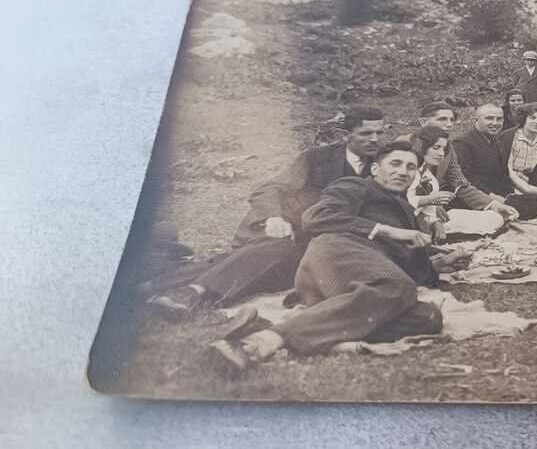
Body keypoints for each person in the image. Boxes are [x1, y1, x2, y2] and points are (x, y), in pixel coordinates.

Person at [207, 141, 468, 371]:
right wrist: (388, 231)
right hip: (337, 252)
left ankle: (298, 330)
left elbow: (404, 266)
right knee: (396, 287)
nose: (402, 171)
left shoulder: (406, 209)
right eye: (395, 164)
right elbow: (316, 217)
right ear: (376, 169)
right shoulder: (354, 185)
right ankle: (258, 343)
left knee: (427, 317)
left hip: (362, 278)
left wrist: (438, 263)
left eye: (411, 168)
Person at [145, 106, 388, 320]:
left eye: (380, 133)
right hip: (287, 233)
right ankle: (190, 293)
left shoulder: (389, 162)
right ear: (346, 135)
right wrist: (274, 218)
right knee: (276, 250)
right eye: (367, 133)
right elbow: (269, 189)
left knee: (266, 267)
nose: (375, 139)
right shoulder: (317, 158)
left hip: (331, 244)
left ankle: (162, 285)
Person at [399, 102, 518, 219]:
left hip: (432, 208)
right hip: (400, 209)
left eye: (452, 120)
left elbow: (460, 184)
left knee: (493, 218)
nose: (449, 124)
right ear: (423, 122)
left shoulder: (448, 148)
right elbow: (390, 188)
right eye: (442, 119)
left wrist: (493, 205)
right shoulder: (404, 144)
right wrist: (428, 203)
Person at [452, 103, 516, 199]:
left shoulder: (497, 141)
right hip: (476, 198)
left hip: (500, 196)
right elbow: (465, 177)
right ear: (475, 120)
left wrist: (511, 195)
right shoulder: (463, 143)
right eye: (489, 118)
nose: (495, 123)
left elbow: (503, 174)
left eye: (499, 119)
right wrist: (492, 196)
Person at [406, 126, 454, 238]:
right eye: (436, 147)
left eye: (444, 149)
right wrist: (429, 200)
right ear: (421, 147)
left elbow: (427, 209)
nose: (441, 154)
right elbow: (399, 203)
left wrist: (434, 221)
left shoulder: (427, 175)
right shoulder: (405, 172)